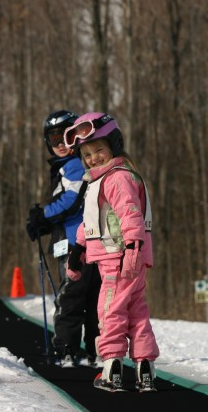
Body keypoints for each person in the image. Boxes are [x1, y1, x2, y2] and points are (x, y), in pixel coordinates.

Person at [63, 112, 160, 392]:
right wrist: (78, 249)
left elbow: (130, 216)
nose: (93, 158)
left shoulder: (117, 178)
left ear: (114, 147)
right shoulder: (104, 179)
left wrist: (132, 249)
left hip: (118, 258)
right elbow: (91, 221)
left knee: (110, 311)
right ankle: (145, 369)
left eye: (99, 150)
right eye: (87, 154)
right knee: (136, 312)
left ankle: (111, 368)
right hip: (126, 257)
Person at [25, 110, 101, 368]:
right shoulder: (67, 166)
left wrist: (43, 215)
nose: (59, 143)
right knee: (87, 298)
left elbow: (71, 200)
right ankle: (91, 351)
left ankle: (68, 350)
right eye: (53, 138)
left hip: (76, 244)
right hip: (74, 240)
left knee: (71, 296)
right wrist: (45, 223)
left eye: (64, 137)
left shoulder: (75, 165)